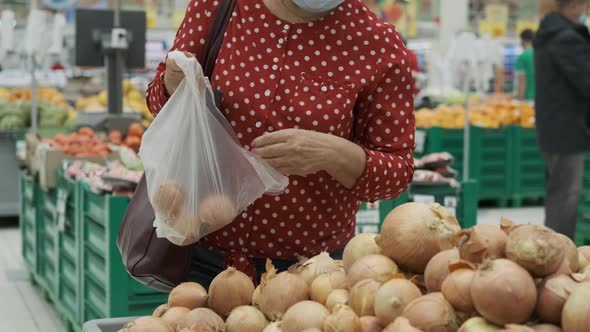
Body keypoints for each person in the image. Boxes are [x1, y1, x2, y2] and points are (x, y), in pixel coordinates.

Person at [146, 0, 415, 287]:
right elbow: (157, 100)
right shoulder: (217, 7)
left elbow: (397, 172)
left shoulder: (377, 43)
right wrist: (171, 87)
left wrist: (333, 154)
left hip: (310, 276)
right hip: (198, 256)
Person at [534, 0, 590, 239]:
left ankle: (551, 248)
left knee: (558, 193)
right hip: (567, 129)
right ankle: (556, 253)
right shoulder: (566, 39)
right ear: (574, 6)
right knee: (565, 197)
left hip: (553, 126)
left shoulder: (548, 34)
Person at [515, 29, 535, 101]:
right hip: (541, 97)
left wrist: (520, 100)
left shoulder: (522, 57)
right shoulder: (541, 56)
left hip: (528, 98)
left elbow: (522, 80)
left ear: (523, 40)